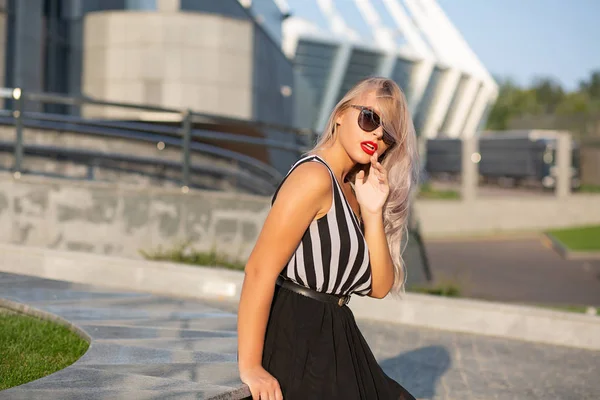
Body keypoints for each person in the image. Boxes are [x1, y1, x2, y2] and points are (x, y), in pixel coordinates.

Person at [237, 77, 418, 400]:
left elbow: (379, 287)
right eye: (370, 118)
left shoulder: (353, 190)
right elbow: (259, 270)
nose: (377, 134)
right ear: (339, 115)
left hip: (337, 334)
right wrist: (251, 366)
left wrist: (374, 212)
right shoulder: (313, 177)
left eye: (388, 133)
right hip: (297, 337)